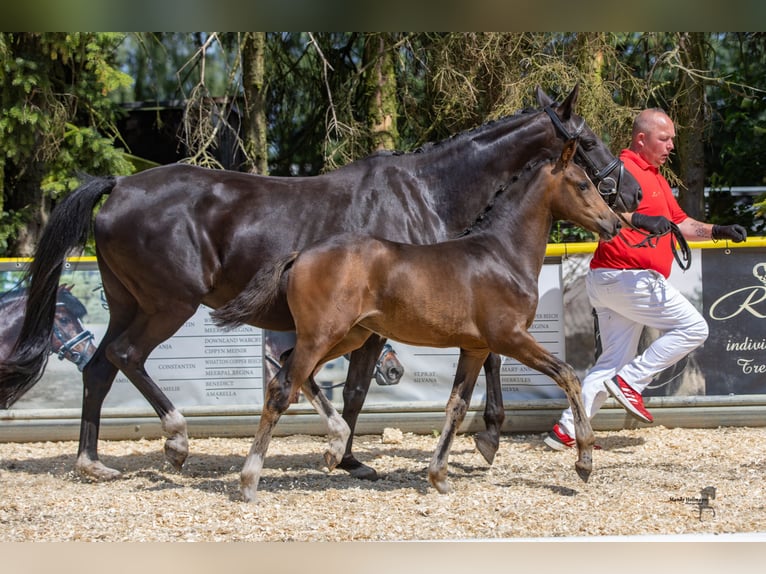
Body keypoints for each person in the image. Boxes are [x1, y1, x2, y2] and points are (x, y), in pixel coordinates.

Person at [544, 107, 747, 450]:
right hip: (627, 277)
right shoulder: (617, 169)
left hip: (614, 281)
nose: (670, 146)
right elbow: (600, 211)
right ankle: (631, 383)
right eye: (664, 138)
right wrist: (638, 219)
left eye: (672, 140)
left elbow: (681, 224)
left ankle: (566, 431)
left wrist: (718, 230)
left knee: (611, 362)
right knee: (695, 328)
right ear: (642, 139)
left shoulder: (657, 178)